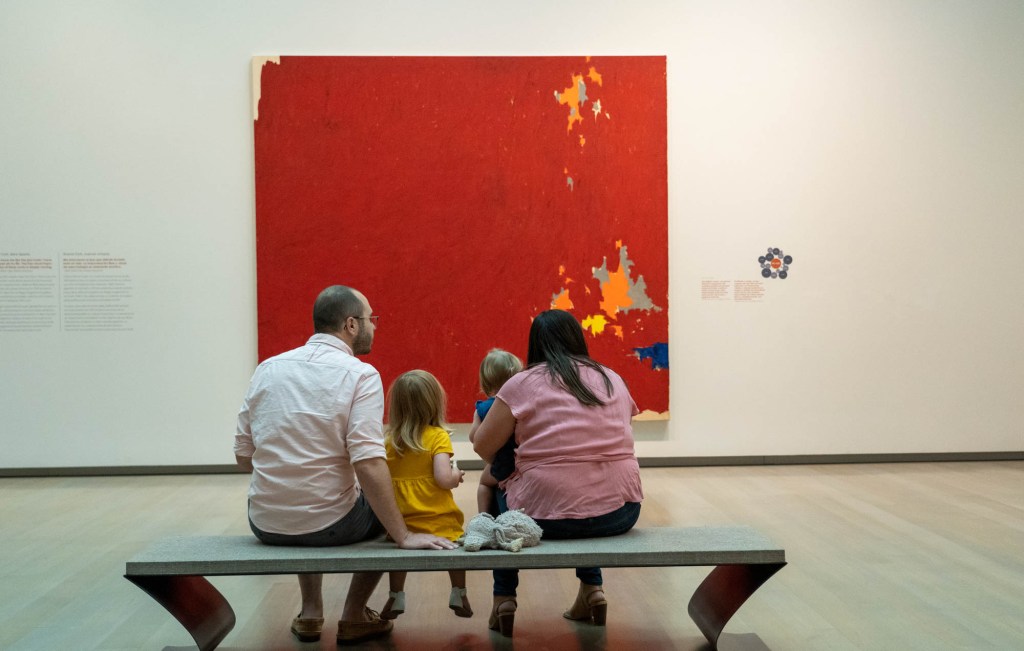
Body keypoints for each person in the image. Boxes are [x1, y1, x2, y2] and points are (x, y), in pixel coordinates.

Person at [234, 285, 456, 646]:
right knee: (392, 505)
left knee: (317, 498)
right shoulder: (360, 375)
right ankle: (353, 615)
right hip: (333, 524)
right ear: (351, 325)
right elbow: (369, 464)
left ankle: (310, 613)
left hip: (265, 522)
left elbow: (244, 456)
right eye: (372, 319)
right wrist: (403, 535)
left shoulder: (267, 369)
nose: (375, 326)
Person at [472, 309, 643, 637]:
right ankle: (592, 590)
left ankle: (503, 597)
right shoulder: (611, 378)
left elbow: (484, 448)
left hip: (541, 517)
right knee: (583, 496)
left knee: (496, 489)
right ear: (578, 338)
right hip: (621, 512)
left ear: (534, 344)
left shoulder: (521, 383)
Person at [377, 370, 473, 620]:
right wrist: (457, 474)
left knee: (399, 554)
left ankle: (396, 595)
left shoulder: (388, 441)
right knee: (454, 543)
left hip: (402, 521)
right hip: (438, 519)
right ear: (433, 403)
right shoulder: (437, 437)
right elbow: (443, 479)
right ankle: (459, 592)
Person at [467, 349, 523, 515]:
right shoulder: (520, 405)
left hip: (501, 464)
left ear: (485, 382)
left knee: (484, 483)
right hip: (522, 460)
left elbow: (474, 438)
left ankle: (483, 516)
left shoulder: (482, 409)